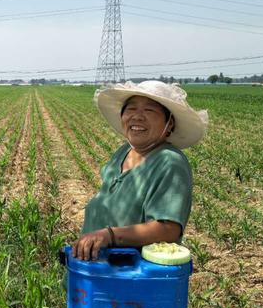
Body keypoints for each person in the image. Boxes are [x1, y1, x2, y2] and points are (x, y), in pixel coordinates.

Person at [72, 80, 209, 261]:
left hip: (132, 275)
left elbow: (168, 229)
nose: (137, 116)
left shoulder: (169, 162)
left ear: (169, 124)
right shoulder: (124, 151)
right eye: (131, 109)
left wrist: (109, 236)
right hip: (99, 269)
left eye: (149, 110)